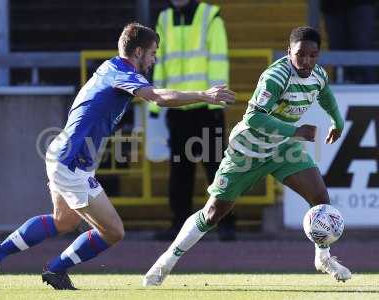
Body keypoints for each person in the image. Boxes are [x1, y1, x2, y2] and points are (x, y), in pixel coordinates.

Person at [0, 23, 235, 290]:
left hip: (63, 152)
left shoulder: (109, 66)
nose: (154, 59)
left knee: (63, 220)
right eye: (152, 53)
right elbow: (157, 97)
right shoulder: (123, 73)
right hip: (71, 162)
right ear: (137, 52)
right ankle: (55, 269)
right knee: (113, 231)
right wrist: (203, 95)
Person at [143, 26, 352, 286]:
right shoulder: (275, 77)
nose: (307, 61)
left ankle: (323, 257)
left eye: (313, 55)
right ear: (289, 52)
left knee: (320, 197)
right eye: (301, 55)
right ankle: (165, 262)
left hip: (283, 148)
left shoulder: (317, 74)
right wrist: (295, 130)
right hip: (247, 151)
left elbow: (326, 95)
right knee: (213, 214)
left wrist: (338, 121)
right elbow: (253, 117)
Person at [150, 0, 236, 241]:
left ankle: (227, 224)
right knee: (179, 171)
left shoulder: (210, 16)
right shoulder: (164, 18)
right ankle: (179, 225)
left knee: (218, 170)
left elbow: (219, 59)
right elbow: (160, 60)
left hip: (207, 109)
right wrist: (158, 100)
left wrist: (216, 103)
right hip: (177, 108)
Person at [321, 0, 376, 83]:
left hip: (361, 4)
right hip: (331, 6)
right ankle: (342, 84)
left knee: (361, 47)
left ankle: (367, 86)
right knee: (337, 52)